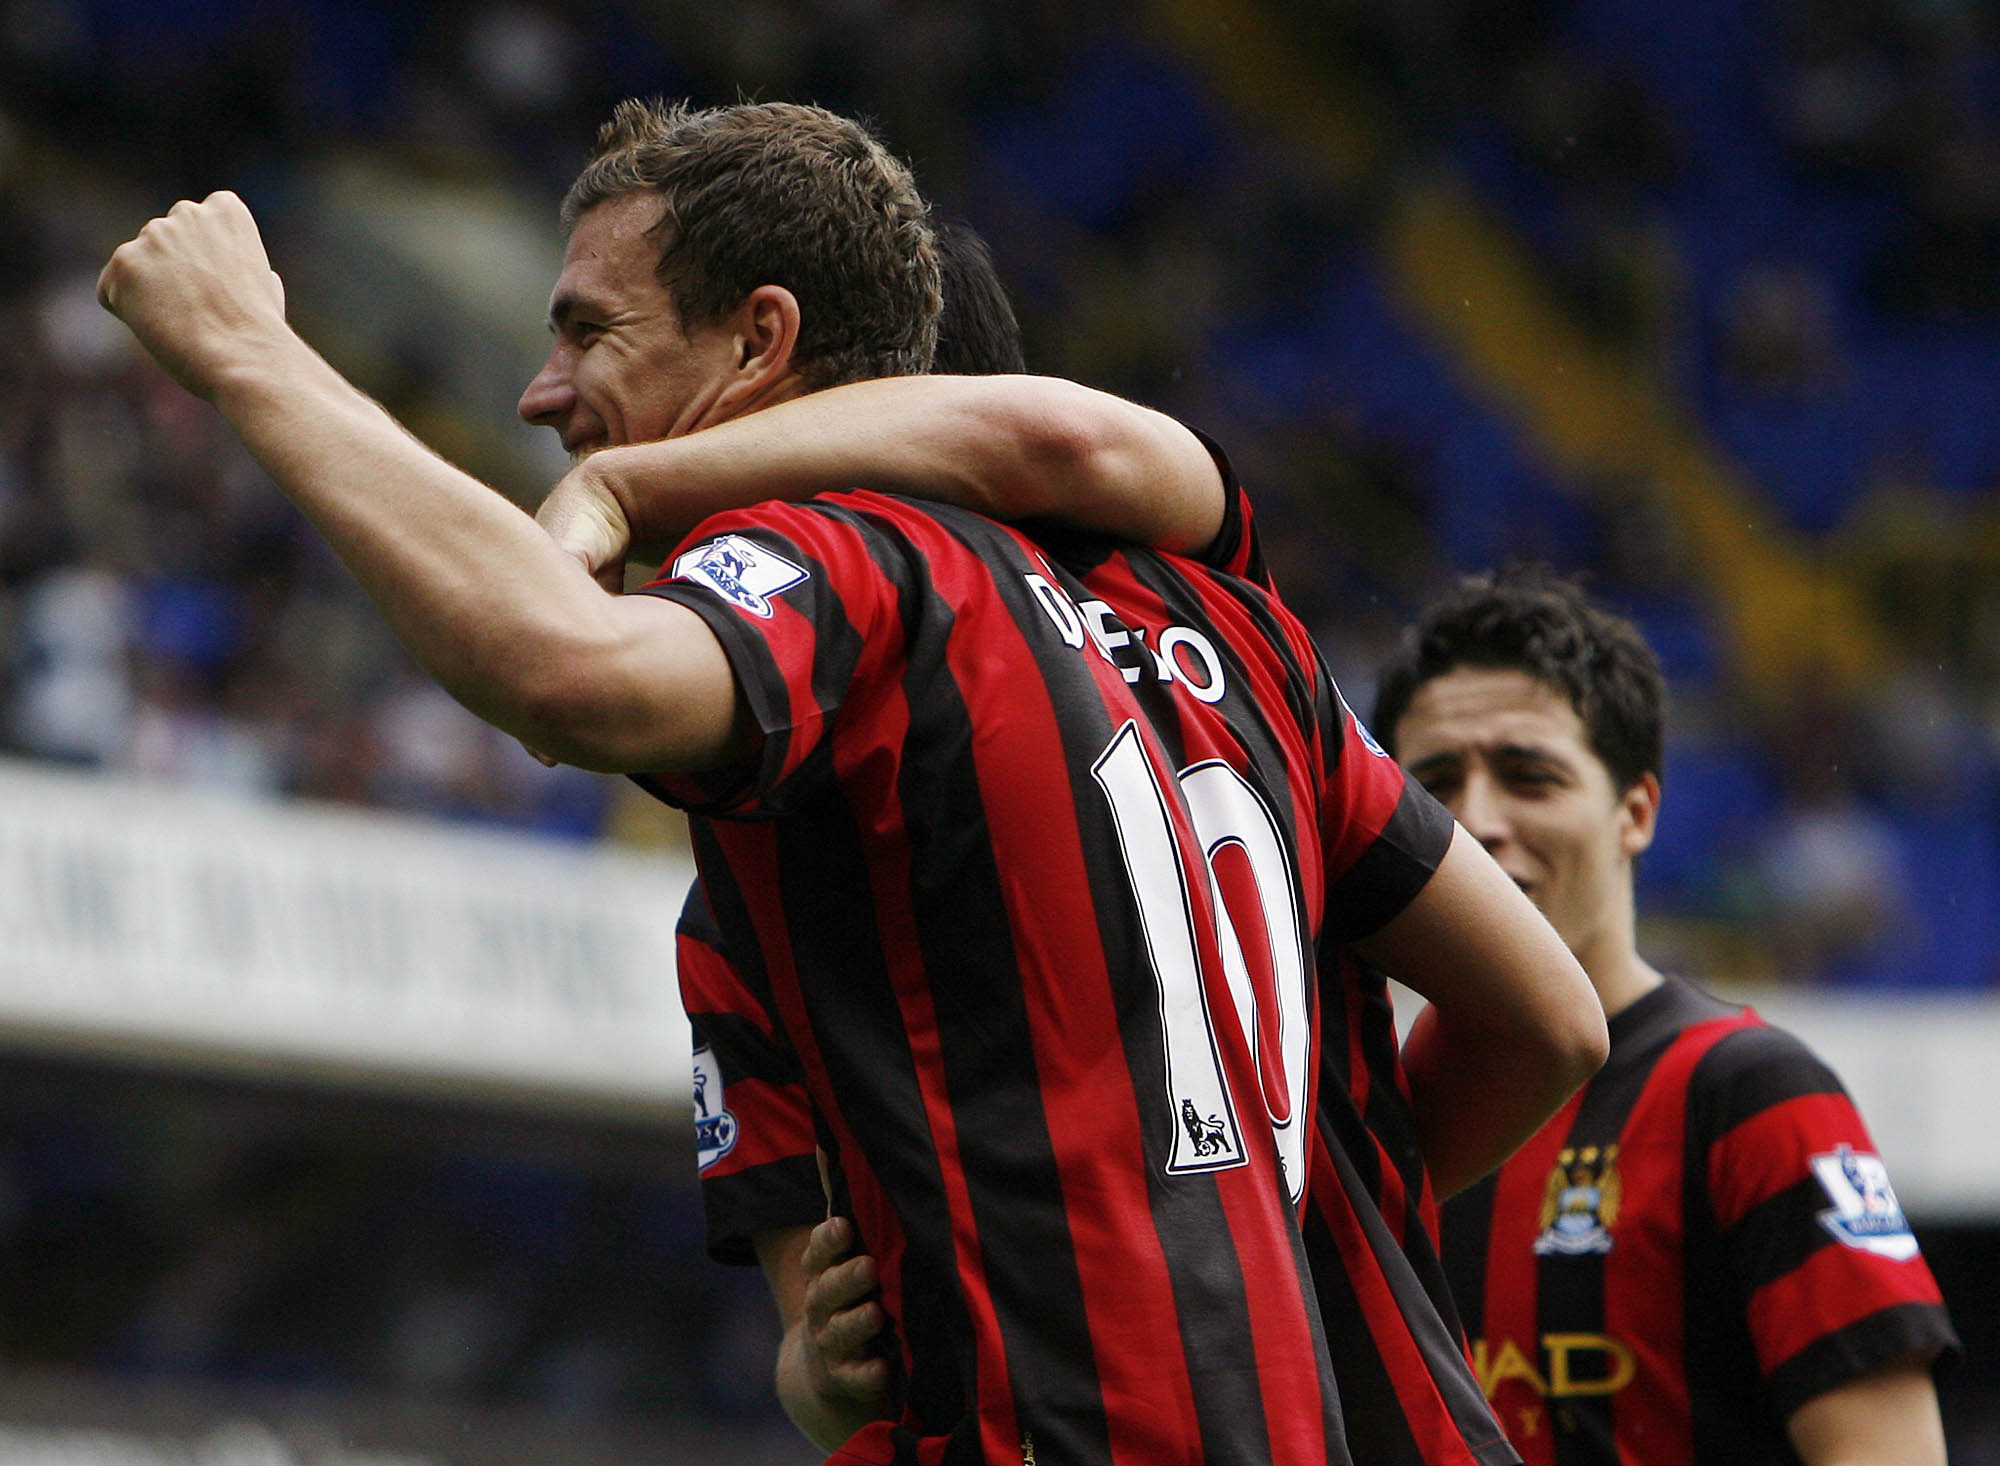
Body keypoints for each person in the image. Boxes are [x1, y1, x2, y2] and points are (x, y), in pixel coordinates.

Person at [99, 97, 1605, 1466]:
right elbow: (1546, 1018)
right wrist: (1274, 1222)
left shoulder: (858, 563)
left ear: (762, 345)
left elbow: (573, 674)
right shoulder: (1232, 631)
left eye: (591, 333)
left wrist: (251, 352)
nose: (541, 394)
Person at [1367, 565, 1960, 1466]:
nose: (1476, 820)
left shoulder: (1751, 1095)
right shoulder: (1363, 1108)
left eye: (1529, 777)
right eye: (1435, 784)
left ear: (1636, 812)